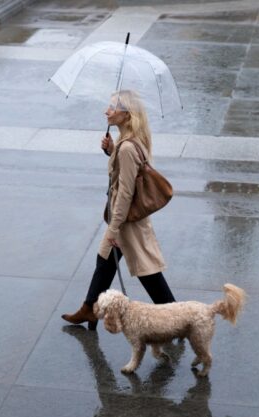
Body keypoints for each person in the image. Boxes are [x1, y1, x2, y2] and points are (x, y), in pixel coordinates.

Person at [62, 89, 176, 330]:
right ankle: (90, 308)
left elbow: (125, 192)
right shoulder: (129, 143)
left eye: (113, 107)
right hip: (123, 218)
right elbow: (127, 175)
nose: (107, 110)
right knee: (104, 260)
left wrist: (114, 228)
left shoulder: (127, 149)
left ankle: (175, 317)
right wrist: (110, 151)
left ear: (127, 114)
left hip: (126, 221)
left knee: (148, 272)